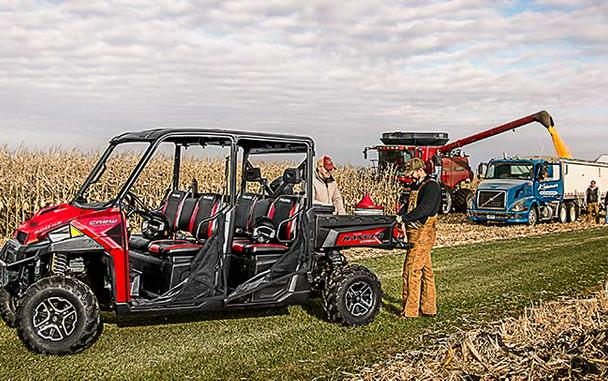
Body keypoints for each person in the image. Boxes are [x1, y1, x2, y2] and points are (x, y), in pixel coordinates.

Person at [396, 158, 441, 318]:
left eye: (412, 173)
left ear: (419, 170)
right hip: (415, 232)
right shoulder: (416, 186)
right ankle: (429, 308)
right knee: (426, 270)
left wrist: (405, 218)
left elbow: (425, 209)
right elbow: (408, 204)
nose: (411, 177)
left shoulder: (431, 186)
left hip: (423, 231)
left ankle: (410, 310)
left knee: (412, 269)